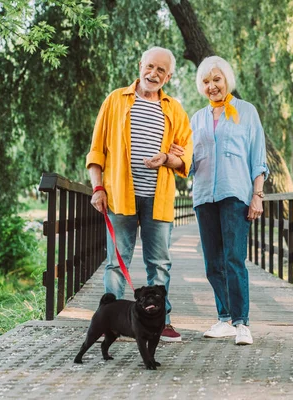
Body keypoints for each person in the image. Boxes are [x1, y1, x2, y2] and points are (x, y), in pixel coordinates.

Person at [86, 46, 193, 342]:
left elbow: (186, 155)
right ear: (140, 66)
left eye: (161, 70)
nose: (153, 73)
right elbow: (97, 149)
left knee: (158, 264)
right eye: (150, 67)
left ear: (168, 76)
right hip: (120, 196)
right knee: (116, 261)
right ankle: (110, 322)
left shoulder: (175, 109)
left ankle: (161, 322)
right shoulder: (116, 100)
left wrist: (168, 159)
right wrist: (97, 188)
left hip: (157, 198)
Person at [171, 56, 268, 345]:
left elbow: (257, 157)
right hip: (203, 197)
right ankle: (224, 319)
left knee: (233, 259)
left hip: (235, 194)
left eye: (217, 79)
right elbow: (188, 164)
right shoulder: (197, 118)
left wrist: (257, 195)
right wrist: (174, 156)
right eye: (206, 82)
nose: (212, 86)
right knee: (213, 262)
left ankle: (242, 324)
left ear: (226, 80)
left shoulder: (246, 112)